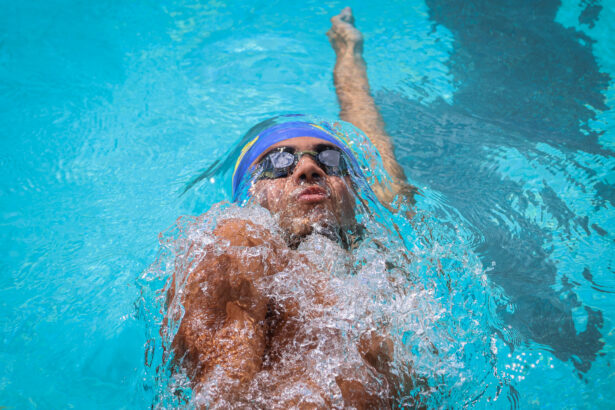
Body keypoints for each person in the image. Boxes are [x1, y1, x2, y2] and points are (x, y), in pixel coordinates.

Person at [165, 7, 417, 408]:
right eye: (278, 162)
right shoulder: (238, 250)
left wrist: (348, 54)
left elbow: (374, 142)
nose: (308, 168)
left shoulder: (384, 238)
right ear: (252, 196)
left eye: (331, 159)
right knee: (232, 240)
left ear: (355, 190)